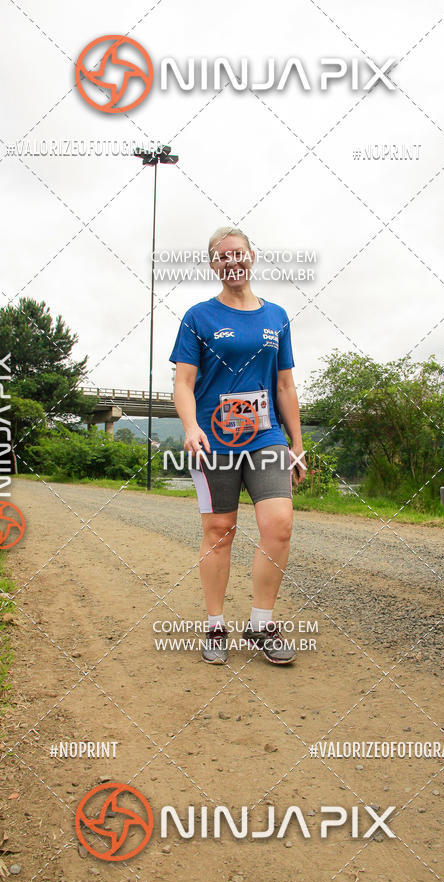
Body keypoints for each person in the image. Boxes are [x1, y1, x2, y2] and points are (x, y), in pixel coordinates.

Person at [169, 226, 306, 665]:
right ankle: (214, 626)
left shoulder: (277, 317)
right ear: (213, 265)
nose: (232, 262)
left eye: (238, 254)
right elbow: (183, 383)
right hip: (213, 440)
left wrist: (297, 444)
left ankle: (262, 623)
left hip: (265, 437)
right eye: (222, 256)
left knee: (279, 524)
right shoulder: (198, 317)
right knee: (219, 531)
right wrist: (191, 426)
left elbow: (285, 386)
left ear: (252, 257)